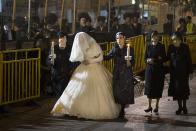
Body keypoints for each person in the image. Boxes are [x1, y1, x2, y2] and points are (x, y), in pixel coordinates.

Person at [51, 32, 120, 120]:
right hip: (83, 69)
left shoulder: (94, 45)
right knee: (78, 89)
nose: (80, 41)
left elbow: (100, 57)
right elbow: (78, 58)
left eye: (81, 39)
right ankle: (71, 108)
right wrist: (82, 61)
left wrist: (90, 61)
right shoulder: (81, 47)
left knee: (96, 90)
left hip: (95, 69)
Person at [104, 32, 135, 118]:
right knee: (116, 89)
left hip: (126, 72)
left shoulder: (130, 49)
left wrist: (129, 62)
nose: (119, 40)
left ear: (124, 38)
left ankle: (122, 109)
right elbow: (108, 57)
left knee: (124, 90)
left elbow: (133, 62)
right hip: (117, 71)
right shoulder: (114, 48)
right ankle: (118, 107)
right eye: (117, 38)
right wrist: (98, 55)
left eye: (120, 38)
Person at [167, 32, 193, 115]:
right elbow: (167, 58)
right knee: (177, 91)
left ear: (179, 39)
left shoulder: (185, 47)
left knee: (184, 90)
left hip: (183, 72)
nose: (174, 41)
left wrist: (191, 71)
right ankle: (179, 107)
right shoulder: (171, 47)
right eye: (173, 40)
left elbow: (189, 60)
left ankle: (184, 107)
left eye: (175, 39)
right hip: (174, 73)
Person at [144, 31, 166, 114]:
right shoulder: (148, 46)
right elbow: (145, 57)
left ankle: (157, 106)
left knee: (157, 87)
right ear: (151, 37)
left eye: (156, 36)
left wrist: (157, 59)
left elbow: (164, 58)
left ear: (158, 37)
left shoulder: (161, 46)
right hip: (149, 70)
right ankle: (149, 106)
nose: (155, 38)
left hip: (158, 70)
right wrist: (148, 60)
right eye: (153, 36)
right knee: (149, 87)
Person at [48, 31, 72, 97]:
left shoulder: (70, 48)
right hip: (56, 74)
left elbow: (73, 60)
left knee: (63, 93)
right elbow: (49, 61)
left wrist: (70, 70)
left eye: (63, 38)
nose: (61, 40)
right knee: (59, 93)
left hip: (66, 74)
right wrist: (51, 60)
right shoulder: (54, 48)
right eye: (60, 38)